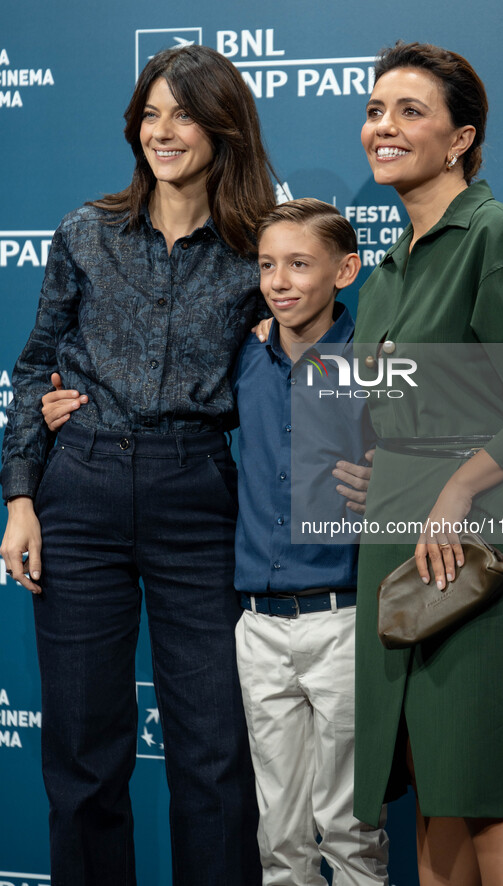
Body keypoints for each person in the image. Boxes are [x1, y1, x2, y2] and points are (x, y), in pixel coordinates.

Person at [0, 44, 277, 886]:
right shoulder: (86, 232)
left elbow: (298, 364)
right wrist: (19, 499)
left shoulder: (258, 247)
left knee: (215, 751)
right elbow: (32, 367)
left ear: (222, 127)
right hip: (77, 489)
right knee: (83, 750)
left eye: (183, 113)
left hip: (196, 493)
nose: (163, 131)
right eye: (150, 113)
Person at [352, 41, 503, 886]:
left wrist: (455, 487)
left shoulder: (497, 239)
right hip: (400, 539)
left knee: (488, 788)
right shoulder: (385, 272)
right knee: (434, 783)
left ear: (460, 140)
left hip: (480, 537)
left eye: (409, 111)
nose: (383, 126)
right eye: (376, 109)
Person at [232, 198, 388, 885]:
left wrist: (398, 478)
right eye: (268, 265)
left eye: (299, 264)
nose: (280, 280)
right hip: (259, 627)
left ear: (344, 270)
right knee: (278, 836)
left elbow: (442, 452)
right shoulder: (245, 356)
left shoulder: (373, 360)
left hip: (345, 621)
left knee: (351, 829)